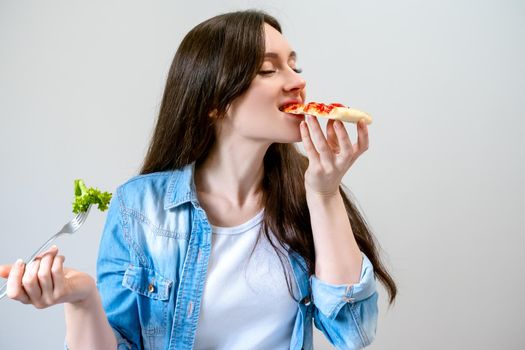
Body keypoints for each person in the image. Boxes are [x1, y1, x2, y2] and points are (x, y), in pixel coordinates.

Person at [0, 9, 397, 350]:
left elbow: (353, 332)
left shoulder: (308, 195)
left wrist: (325, 193)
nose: (296, 81)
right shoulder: (139, 207)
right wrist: (83, 298)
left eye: (295, 66)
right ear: (212, 102)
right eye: (267, 69)